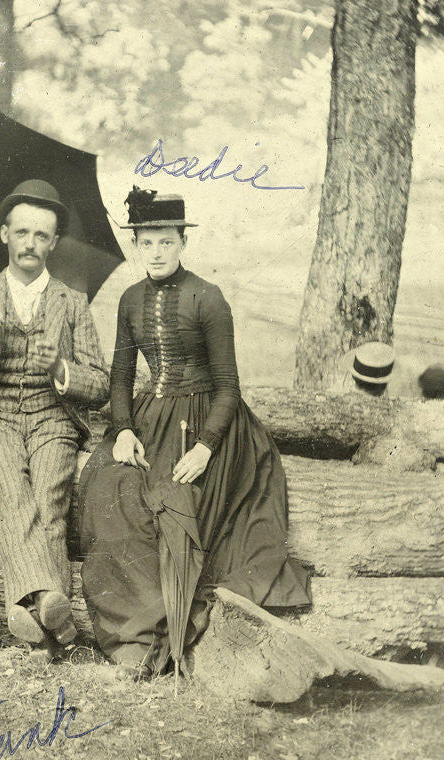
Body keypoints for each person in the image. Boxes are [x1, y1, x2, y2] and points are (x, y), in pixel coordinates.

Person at [77, 186, 312, 678]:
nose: (156, 252)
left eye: (166, 242)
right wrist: (121, 430)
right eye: (146, 242)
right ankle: (133, 638)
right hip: (147, 420)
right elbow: (121, 376)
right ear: (137, 245)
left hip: (209, 423)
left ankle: (164, 631)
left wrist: (207, 447)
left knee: (175, 505)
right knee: (109, 489)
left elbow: (229, 386)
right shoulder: (129, 298)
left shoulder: (208, 297)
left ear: (182, 242)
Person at [0, 179, 109, 662]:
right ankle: (55, 613)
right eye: (22, 233)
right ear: (4, 235)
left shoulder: (72, 303)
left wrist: (61, 369)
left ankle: (29, 608)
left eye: (41, 235)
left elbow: (98, 385)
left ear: (54, 243)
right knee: (12, 493)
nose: (30, 244)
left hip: (52, 418)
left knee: (51, 498)